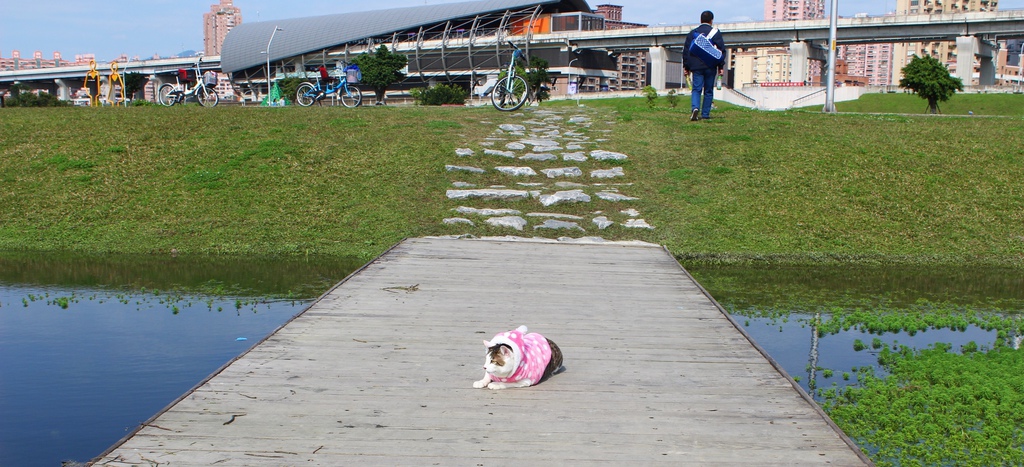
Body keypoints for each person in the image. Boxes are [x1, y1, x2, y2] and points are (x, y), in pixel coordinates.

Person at [683, 10, 726, 121]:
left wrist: (686, 67)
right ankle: (705, 114)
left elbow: (686, 51)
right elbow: (721, 51)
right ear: (711, 20)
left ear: (700, 20)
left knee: (696, 89)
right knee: (708, 90)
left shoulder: (693, 33)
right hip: (710, 66)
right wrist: (721, 66)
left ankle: (695, 108)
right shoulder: (715, 33)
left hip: (696, 67)